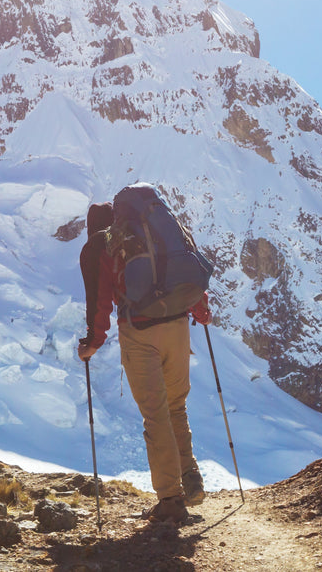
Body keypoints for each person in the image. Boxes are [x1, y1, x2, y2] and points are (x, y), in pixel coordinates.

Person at [78, 199, 211, 523]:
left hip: (139, 333)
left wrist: (92, 344)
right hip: (177, 325)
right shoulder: (155, 234)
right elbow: (184, 274)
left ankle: (171, 500)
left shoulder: (100, 246)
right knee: (176, 406)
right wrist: (201, 312)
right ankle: (190, 477)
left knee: (156, 414)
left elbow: (100, 302)